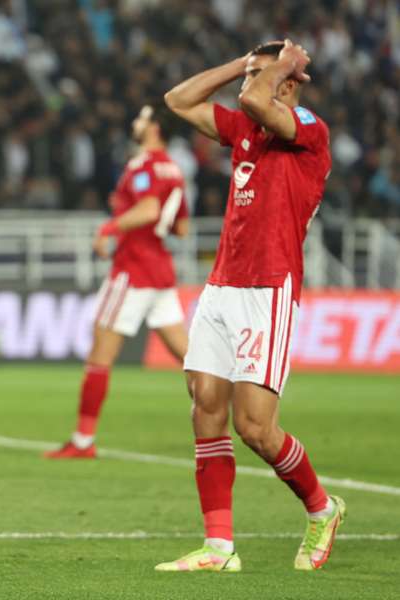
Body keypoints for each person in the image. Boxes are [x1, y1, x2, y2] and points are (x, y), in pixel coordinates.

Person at [156, 40, 343, 573]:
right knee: (205, 408)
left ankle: (322, 508)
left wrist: (280, 68)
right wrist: (243, 62)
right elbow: (178, 99)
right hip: (222, 286)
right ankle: (218, 548)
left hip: (269, 289)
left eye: (258, 77)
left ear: (287, 84)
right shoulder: (244, 129)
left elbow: (262, 104)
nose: (244, 88)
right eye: (246, 76)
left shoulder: (307, 127)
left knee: (255, 427)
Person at [45, 102, 189, 459]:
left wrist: (110, 225)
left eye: (141, 117)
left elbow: (151, 210)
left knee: (99, 357)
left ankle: (82, 441)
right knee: (192, 359)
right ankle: (228, 414)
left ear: (154, 127)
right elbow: (181, 227)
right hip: (160, 271)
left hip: (133, 269)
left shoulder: (146, 166)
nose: (135, 122)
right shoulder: (174, 169)